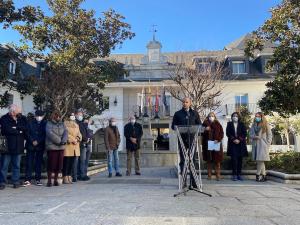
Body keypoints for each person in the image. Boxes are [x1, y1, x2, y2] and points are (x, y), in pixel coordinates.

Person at [171, 97, 201, 187]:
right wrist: (175, 127)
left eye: (186, 102)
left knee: (193, 160)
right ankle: (183, 181)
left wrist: (199, 128)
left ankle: (194, 182)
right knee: (183, 160)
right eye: (183, 102)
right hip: (182, 139)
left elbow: (199, 124)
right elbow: (173, 126)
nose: (185, 103)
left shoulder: (194, 113)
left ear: (190, 103)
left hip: (192, 139)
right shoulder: (177, 114)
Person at [0, 104, 28, 189]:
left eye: (17, 112)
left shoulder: (22, 118)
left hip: (18, 146)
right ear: (11, 111)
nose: (16, 113)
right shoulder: (4, 118)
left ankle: (15, 181)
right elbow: (6, 129)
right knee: (4, 166)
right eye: (15, 112)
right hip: (7, 146)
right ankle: (2, 182)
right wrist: (18, 131)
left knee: (16, 165)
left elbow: (25, 128)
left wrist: (16, 128)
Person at [24, 110, 47, 186]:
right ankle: (27, 179)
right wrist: (32, 141)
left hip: (40, 145)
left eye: (40, 116)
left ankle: (38, 179)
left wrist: (38, 141)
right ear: (35, 116)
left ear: (43, 116)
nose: (39, 117)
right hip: (30, 145)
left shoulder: (45, 123)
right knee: (29, 163)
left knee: (38, 163)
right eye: (37, 116)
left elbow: (45, 134)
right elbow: (27, 133)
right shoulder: (30, 122)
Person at [45, 110, 68, 187]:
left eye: (59, 116)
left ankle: (55, 180)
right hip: (52, 147)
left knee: (59, 165)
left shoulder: (62, 124)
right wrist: (59, 141)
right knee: (51, 164)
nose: (58, 117)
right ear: (53, 116)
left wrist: (63, 141)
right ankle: (49, 181)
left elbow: (65, 132)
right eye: (56, 116)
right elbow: (49, 133)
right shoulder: (49, 123)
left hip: (61, 147)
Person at [250, 112, 272, 182]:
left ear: (262, 117)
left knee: (260, 160)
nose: (257, 117)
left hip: (263, 145)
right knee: (260, 161)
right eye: (256, 116)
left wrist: (267, 144)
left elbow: (270, 135)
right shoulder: (253, 125)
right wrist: (254, 136)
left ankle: (257, 175)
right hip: (256, 144)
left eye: (258, 116)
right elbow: (250, 134)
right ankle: (264, 176)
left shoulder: (266, 125)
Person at [226, 112, 248, 181]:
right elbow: (228, 133)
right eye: (234, 116)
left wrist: (239, 140)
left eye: (236, 116)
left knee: (240, 160)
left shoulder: (242, 124)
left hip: (240, 144)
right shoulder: (229, 124)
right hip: (232, 144)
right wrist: (233, 139)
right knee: (234, 160)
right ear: (232, 117)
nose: (235, 117)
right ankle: (234, 175)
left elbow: (244, 133)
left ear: (239, 117)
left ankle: (239, 174)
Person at [202, 112, 224, 181]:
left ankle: (218, 175)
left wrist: (218, 139)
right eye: (210, 116)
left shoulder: (218, 124)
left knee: (217, 161)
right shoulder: (205, 124)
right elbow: (201, 132)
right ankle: (209, 175)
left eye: (212, 116)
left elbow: (221, 133)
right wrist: (205, 129)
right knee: (209, 160)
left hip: (216, 143)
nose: (211, 117)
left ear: (215, 117)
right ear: (208, 117)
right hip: (208, 143)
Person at [63, 113, 82, 184]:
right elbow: (66, 134)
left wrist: (77, 139)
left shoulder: (76, 124)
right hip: (68, 146)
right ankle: (65, 176)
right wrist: (72, 140)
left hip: (75, 146)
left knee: (72, 162)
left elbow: (79, 134)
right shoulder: (65, 124)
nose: (73, 117)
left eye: (73, 116)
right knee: (66, 162)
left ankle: (69, 175)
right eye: (71, 115)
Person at [73, 109, 89, 181]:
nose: (81, 116)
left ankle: (82, 174)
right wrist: (85, 138)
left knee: (83, 160)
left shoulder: (82, 123)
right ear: (76, 115)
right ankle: (76, 175)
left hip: (84, 143)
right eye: (79, 115)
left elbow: (86, 131)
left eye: (81, 115)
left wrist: (88, 138)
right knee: (76, 160)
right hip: (78, 143)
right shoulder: (75, 123)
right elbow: (79, 133)